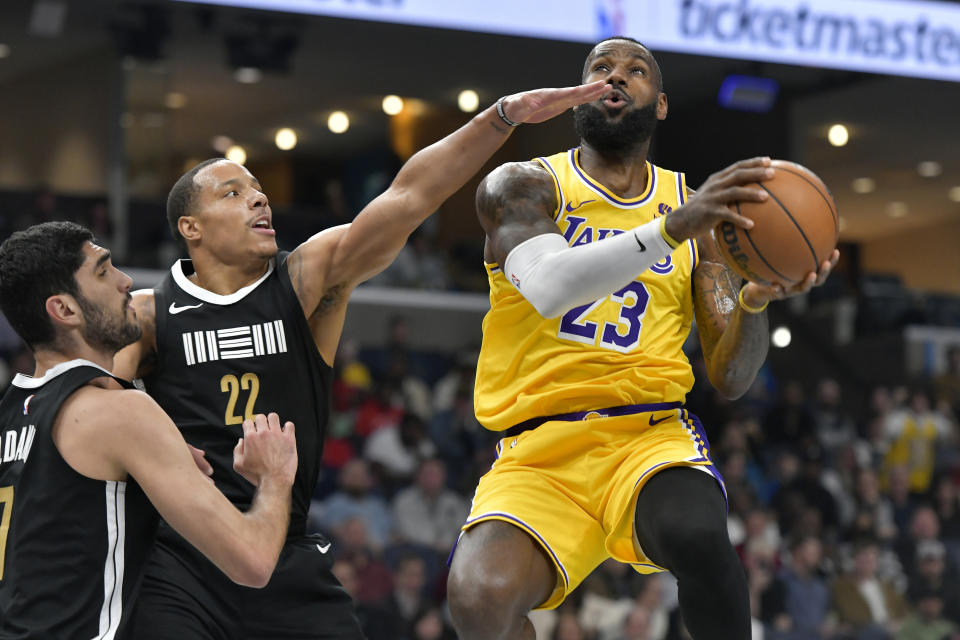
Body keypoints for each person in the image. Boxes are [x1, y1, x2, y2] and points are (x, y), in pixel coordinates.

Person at [112, 81, 610, 638]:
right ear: (190, 228)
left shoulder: (304, 280)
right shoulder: (149, 315)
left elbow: (410, 197)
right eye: (232, 193)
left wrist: (500, 118)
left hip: (285, 547)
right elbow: (99, 416)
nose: (259, 198)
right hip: (181, 557)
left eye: (258, 189)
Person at [446, 37, 839, 640]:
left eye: (636, 71)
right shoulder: (523, 186)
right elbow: (551, 287)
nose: (616, 77)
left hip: (646, 436)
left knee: (701, 538)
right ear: (578, 97)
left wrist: (754, 299)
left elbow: (731, 378)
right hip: (538, 449)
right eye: (600, 68)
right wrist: (672, 229)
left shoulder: (691, 209)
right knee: (478, 601)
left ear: (659, 105)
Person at [0, 222, 297, 638]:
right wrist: (276, 477)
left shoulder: (11, 412)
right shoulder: (119, 412)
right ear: (64, 310)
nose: (126, 282)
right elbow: (252, 561)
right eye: (104, 272)